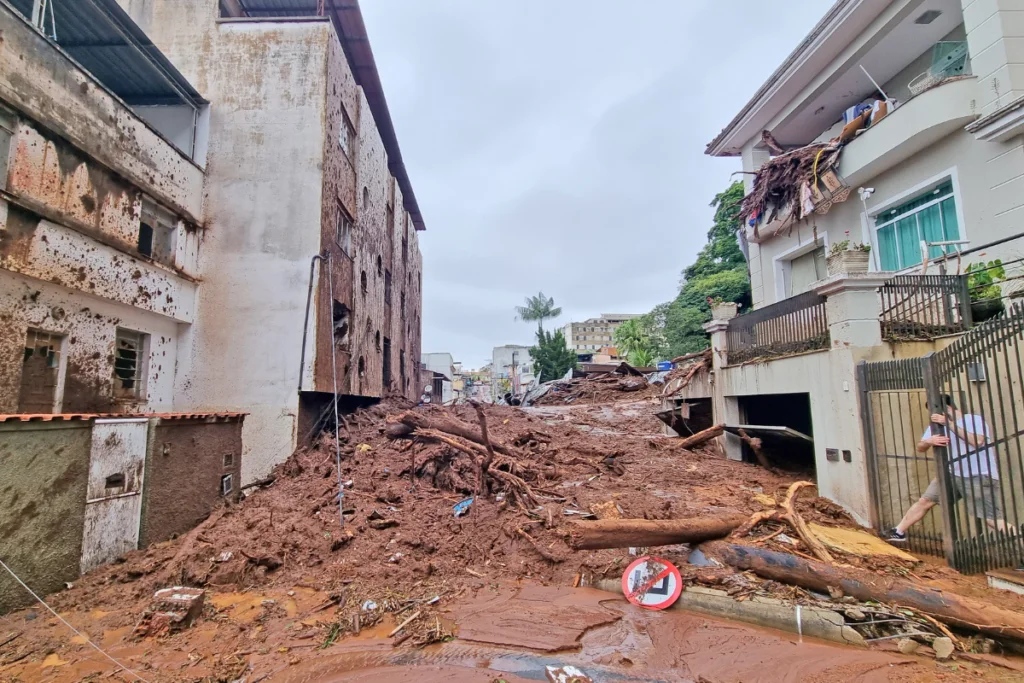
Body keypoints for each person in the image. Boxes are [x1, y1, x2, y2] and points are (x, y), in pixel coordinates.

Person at [887, 395, 1003, 544]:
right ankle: (899, 531)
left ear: (947, 408)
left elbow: (977, 441)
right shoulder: (936, 425)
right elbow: (920, 447)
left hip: (978, 475)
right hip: (951, 474)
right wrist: (929, 441)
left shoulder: (973, 420)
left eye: (935, 412)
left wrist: (948, 423)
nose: (933, 416)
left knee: (991, 519)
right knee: (925, 501)